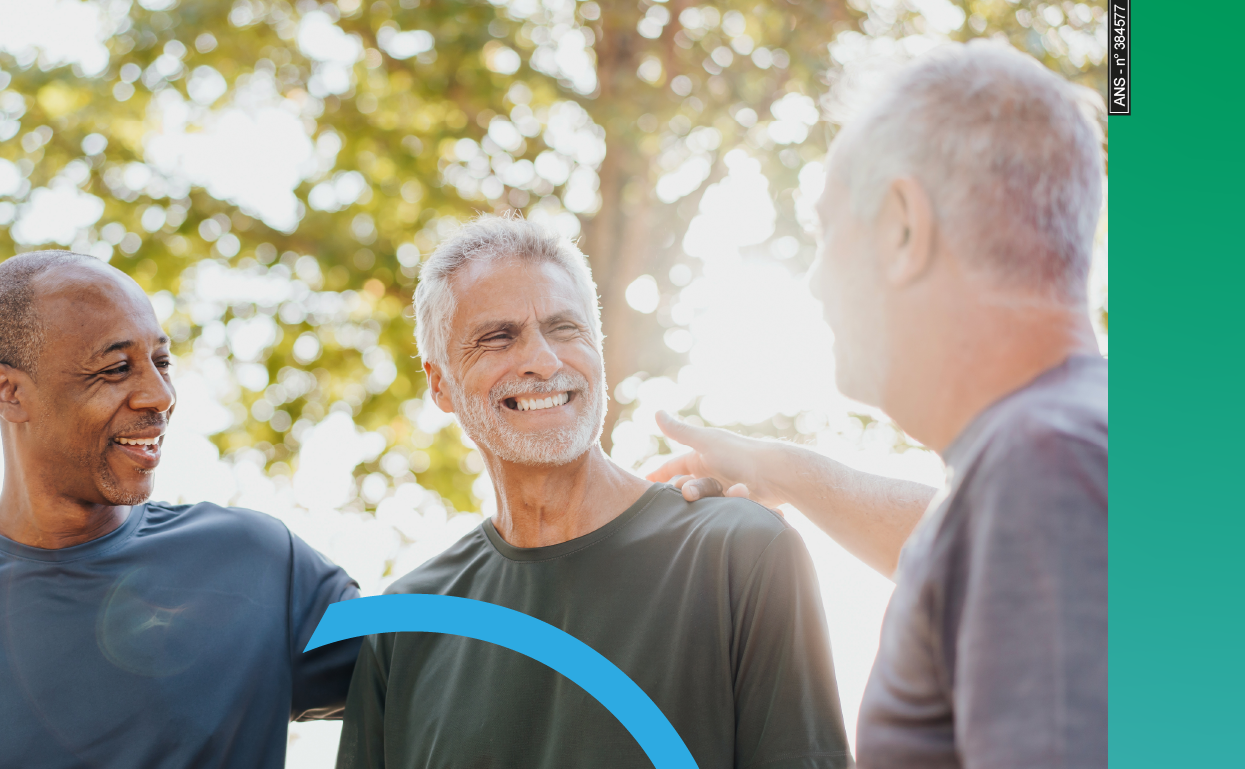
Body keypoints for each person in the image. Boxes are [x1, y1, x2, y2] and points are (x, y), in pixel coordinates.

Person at [649, 41, 1107, 768]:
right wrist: (787, 472)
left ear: (901, 226)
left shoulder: (1041, 468)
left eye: (827, 228)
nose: (814, 282)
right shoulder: (1060, 457)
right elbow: (954, 542)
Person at [335, 215, 851, 769]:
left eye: (564, 329)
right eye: (499, 337)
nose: (542, 360)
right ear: (440, 384)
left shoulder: (740, 552)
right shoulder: (405, 625)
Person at [0, 251, 360, 768]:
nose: (160, 396)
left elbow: (423, 636)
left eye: (161, 362)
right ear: (8, 392)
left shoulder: (258, 562)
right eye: (116, 368)